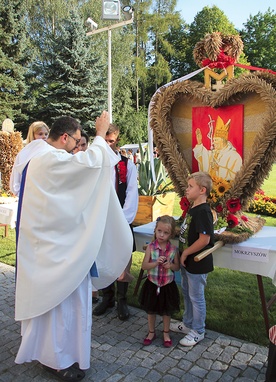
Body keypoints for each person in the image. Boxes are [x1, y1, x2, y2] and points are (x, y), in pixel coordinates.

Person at [14, 111, 133, 382]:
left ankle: (54, 355)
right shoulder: (51, 159)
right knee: (61, 306)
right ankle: (57, 359)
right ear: (65, 137)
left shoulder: (40, 156)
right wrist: (101, 134)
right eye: (78, 141)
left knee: (56, 306)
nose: (80, 147)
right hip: (58, 252)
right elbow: (91, 165)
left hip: (52, 246)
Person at [93, 123, 138, 320]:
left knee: (122, 256)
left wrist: (122, 219)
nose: (108, 145)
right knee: (102, 256)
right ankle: (107, 296)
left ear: (116, 140)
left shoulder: (126, 164)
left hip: (120, 218)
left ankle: (122, 299)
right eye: (105, 141)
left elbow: (131, 193)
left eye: (111, 141)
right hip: (100, 219)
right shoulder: (95, 164)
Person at [170, 171, 214, 347]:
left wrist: (186, 252)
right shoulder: (193, 208)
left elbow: (205, 239)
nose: (186, 189)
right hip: (186, 262)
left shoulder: (203, 212)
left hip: (197, 263)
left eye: (190, 186)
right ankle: (188, 324)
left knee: (196, 297)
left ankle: (198, 330)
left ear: (202, 190)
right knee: (187, 293)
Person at [139, 215, 180, 348]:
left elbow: (177, 267)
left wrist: (170, 266)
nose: (161, 235)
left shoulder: (173, 250)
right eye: (159, 231)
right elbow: (144, 266)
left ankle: (166, 333)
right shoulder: (151, 247)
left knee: (166, 312)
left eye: (166, 233)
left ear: (171, 234)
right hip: (152, 284)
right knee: (151, 310)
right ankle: (151, 332)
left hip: (167, 286)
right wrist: (156, 263)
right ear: (155, 230)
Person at [193, 116, 242, 181]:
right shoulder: (213, 153)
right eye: (213, 140)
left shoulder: (234, 156)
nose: (213, 143)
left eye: (216, 140)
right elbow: (202, 156)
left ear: (222, 141)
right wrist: (199, 142)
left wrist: (219, 169)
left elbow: (236, 176)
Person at [10, 121, 50, 195]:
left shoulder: (50, 151)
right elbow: (16, 175)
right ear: (32, 135)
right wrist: (19, 192)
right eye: (40, 134)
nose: (44, 136)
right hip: (27, 192)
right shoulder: (24, 153)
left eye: (46, 134)